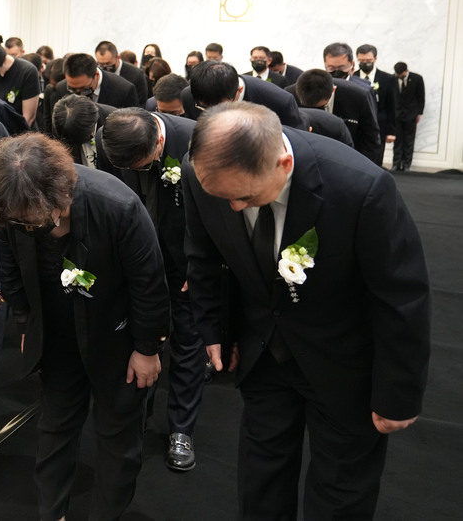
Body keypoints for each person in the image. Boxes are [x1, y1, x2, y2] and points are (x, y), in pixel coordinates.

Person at [183, 102, 430, 520]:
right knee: (261, 476)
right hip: (262, 351)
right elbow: (203, 255)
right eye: (222, 197)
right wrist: (213, 329)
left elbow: (401, 296)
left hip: (343, 359)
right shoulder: (201, 174)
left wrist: (399, 394)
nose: (235, 209)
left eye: (246, 196)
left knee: (340, 489)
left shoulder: (361, 189)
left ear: (283, 164)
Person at [0, 133, 168, 521]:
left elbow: (149, 284)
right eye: (20, 221)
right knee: (56, 423)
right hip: (56, 333)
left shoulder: (117, 206)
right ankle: (52, 513)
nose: (28, 226)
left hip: (117, 335)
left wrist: (147, 348)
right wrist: (26, 324)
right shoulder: (9, 206)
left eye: (35, 219)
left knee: (118, 433)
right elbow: (10, 272)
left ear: (60, 196)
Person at [97, 108, 207, 472]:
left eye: (143, 165)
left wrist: (201, 267)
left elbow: (215, 210)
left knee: (187, 340)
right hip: (135, 257)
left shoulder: (197, 140)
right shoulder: (106, 140)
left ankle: (182, 429)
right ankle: (137, 415)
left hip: (184, 257)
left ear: (159, 142)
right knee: (136, 337)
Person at [292, 69, 382, 165]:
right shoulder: (290, 95)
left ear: (333, 90)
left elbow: (371, 136)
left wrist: (363, 166)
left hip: (350, 155)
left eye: (320, 106)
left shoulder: (358, 96)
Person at [183, 61, 303, 128]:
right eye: (205, 107)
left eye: (222, 107)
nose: (215, 114)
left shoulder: (279, 101)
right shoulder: (189, 96)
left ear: (239, 90)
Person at [57, 53, 139, 109]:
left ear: (96, 74)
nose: (78, 93)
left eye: (83, 88)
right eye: (72, 89)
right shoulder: (61, 88)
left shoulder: (123, 90)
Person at [355, 44, 397, 143]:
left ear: (375, 59)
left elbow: (392, 106)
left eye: (368, 60)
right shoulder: (353, 77)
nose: (365, 63)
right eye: (362, 61)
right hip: (357, 126)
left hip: (380, 126)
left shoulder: (388, 79)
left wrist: (391, 131)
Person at [391, 61, 425, 172]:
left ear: (406, 71)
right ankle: (396, 163)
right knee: (397, 140)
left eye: (401, 74)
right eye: (397, 74)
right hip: (397, 114)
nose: (399, 76)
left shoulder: (417, 79)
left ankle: (406, 164)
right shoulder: (392, 79)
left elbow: (421, 97)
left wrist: (419, 113)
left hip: (411, 114)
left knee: (409, 141)